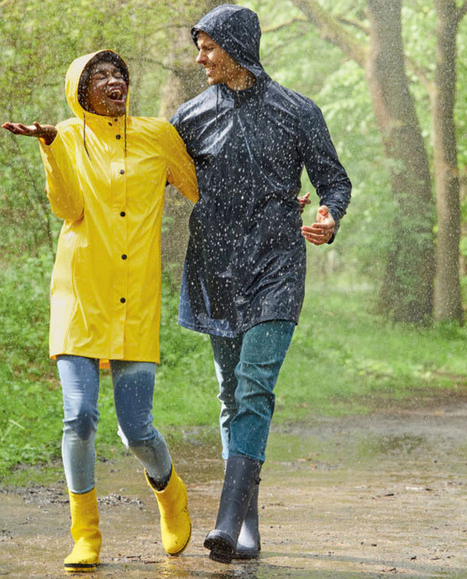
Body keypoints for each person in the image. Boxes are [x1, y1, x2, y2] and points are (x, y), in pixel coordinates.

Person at [2, 49, 198, 571]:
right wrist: (49, 146)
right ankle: (85, 533)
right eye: (101, 76)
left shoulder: (158, 135)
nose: (115, 81)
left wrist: (272, 201)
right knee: (79, 416)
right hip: (79, 295)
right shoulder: (65, 134)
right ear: (81, 90)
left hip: (135, 300)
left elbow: (200, 187)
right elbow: (68, 208)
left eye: (120, 74)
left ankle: (170, 493)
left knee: (137, 428)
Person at [169, 4, 353, 564]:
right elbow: (153, 175)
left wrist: (328, 214)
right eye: (198, 46)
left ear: (236, 46)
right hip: (215, 269)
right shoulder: (189, 116)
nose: (200, 57)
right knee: (229, 393)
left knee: (253, 385)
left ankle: (225, 524)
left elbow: (333, 179)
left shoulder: (297, 110)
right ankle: (246, 524)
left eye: (208, 47)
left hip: (276, 266)